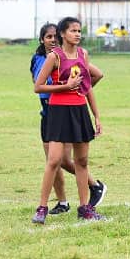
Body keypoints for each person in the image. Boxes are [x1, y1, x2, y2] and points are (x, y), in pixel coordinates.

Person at [32, 16, 105, 223]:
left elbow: (87, 87)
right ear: (63, 34)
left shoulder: (84, 54)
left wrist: (97, 116)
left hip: (79, 111)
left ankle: (85, 208)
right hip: (58, 112)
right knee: (54, 160)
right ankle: (42, 208)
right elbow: (38, 87)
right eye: (73, 31)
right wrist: (65, 86)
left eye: (79, 31)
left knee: (81, 161)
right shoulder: (54, 56)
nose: (78, 34)